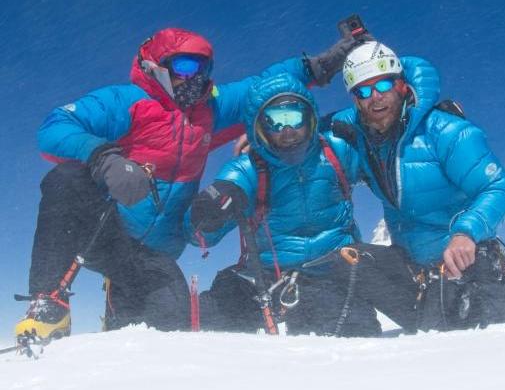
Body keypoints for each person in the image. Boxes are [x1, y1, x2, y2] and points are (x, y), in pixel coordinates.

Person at [14, 27, 363, 341]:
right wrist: (104, 158)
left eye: (203, 68)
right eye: (183, 67)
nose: (195, 77)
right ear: (156, 66)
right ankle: (50, 304)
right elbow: (55, 126)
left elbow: (264, 84)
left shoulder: (208, 109)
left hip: (154, 254)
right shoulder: (126, 101)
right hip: (106, 230)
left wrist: (321, 65)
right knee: (65, 180)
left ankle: (120, 308)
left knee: (172, 326)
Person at [324, 41, 505, 332]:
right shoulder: (366, 142)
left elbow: (499, 188)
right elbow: (309, 130)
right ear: (355, 100)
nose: (375, 97)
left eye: (383, 84)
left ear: (401, 85)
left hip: (467, 253)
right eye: (363, 91)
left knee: (449, 316)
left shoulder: (446, 131)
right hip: (412, 263)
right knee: (349, 263)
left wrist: (465, 233)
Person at [189, 73, 384, 337]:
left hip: (333, 273)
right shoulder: (246, 171)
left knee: (348, 339)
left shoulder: (338, 150)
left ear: (310, 117)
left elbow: (374, 114)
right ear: (260, 126)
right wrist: (207, 213)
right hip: (267, 278)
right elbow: (200, 236)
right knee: (207, 323)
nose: (287, 130)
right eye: (275, 121)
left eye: (294, 118)